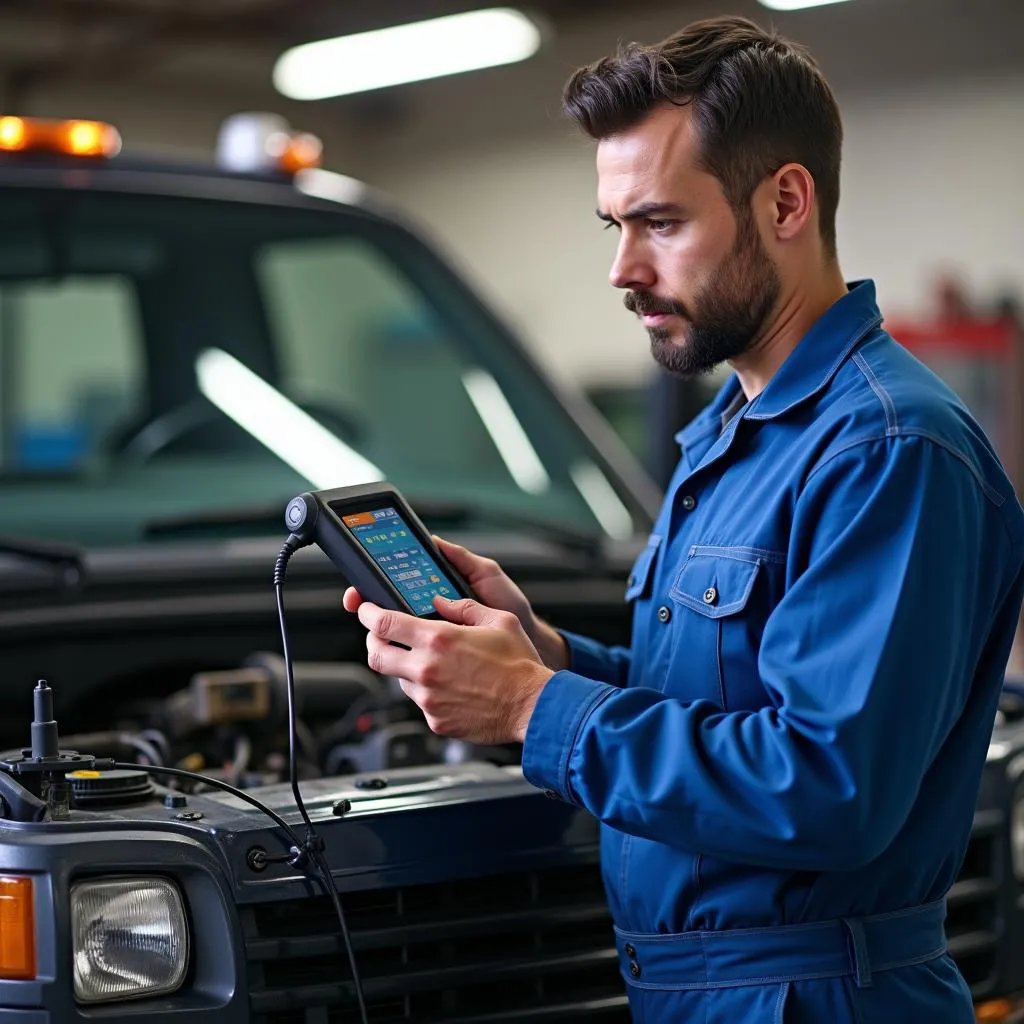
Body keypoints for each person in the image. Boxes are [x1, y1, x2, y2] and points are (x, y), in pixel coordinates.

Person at [343, 15, 1024, 1023]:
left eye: (659, 223)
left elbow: (827, 785)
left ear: (785, 201)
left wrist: (533, 709)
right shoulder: (738, 433)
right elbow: (718, 703)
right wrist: (544, 656)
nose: (622, 269)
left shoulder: (886, 449)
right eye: (612, 226)